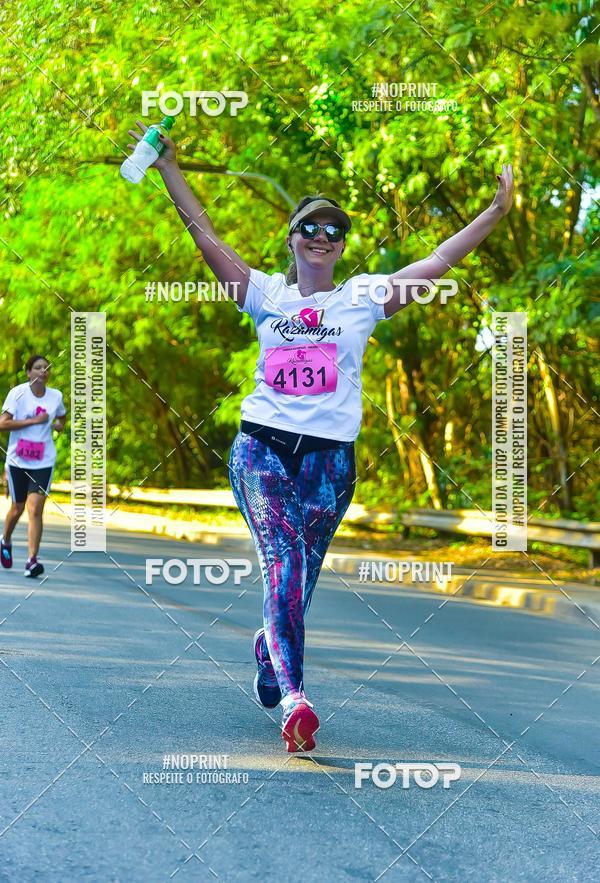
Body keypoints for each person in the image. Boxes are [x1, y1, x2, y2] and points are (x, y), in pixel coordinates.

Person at [126, 120, 514, 751]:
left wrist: (494, 212)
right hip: (262, 447)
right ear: (292, 239)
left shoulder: (362, 298)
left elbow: (439, 261)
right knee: (282, 562)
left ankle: (267, 644)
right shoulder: (264, 294)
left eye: (335, 231)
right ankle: (296, 700)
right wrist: (170, 168)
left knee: (298, 580)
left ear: (341, 247)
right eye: (311, 227)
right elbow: (205, 236)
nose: (323, 237)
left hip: (331, 463)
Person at [0, 355, 67, 578]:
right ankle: (5, 540)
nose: (43, 371)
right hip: (18, 460)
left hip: (43, 461)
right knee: (17, 508)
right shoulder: (18, 394)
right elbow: (3, 424)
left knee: (35, 509)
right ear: (29, 372)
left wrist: (58, 425)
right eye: (37, 367)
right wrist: (33, 421)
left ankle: (32, 560)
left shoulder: (55, 396)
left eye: (46, 368)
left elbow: (61, 419)